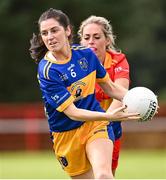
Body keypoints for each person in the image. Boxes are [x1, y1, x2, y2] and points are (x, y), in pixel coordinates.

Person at [29, 8, 140, 179]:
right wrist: (109, 116)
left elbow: (110, 87)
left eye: (54, 30)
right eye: (44, 33)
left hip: (95, 126)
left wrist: (140, 102)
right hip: (66, 135)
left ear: (67, 30)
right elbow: (73, 113)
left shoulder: (86, 55)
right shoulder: (47, 71)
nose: (49, 37)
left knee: (103, 175)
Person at [78, 15, 130, 176]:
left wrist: (105, 119)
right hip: (80, 128)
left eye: (96, 37)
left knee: (106, 175)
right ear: (81, 41)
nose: (91, 41)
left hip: (111, 127)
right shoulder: (73, 62)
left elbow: (120, 94)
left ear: (107, 40)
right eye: (86, 37)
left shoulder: (118, 60)